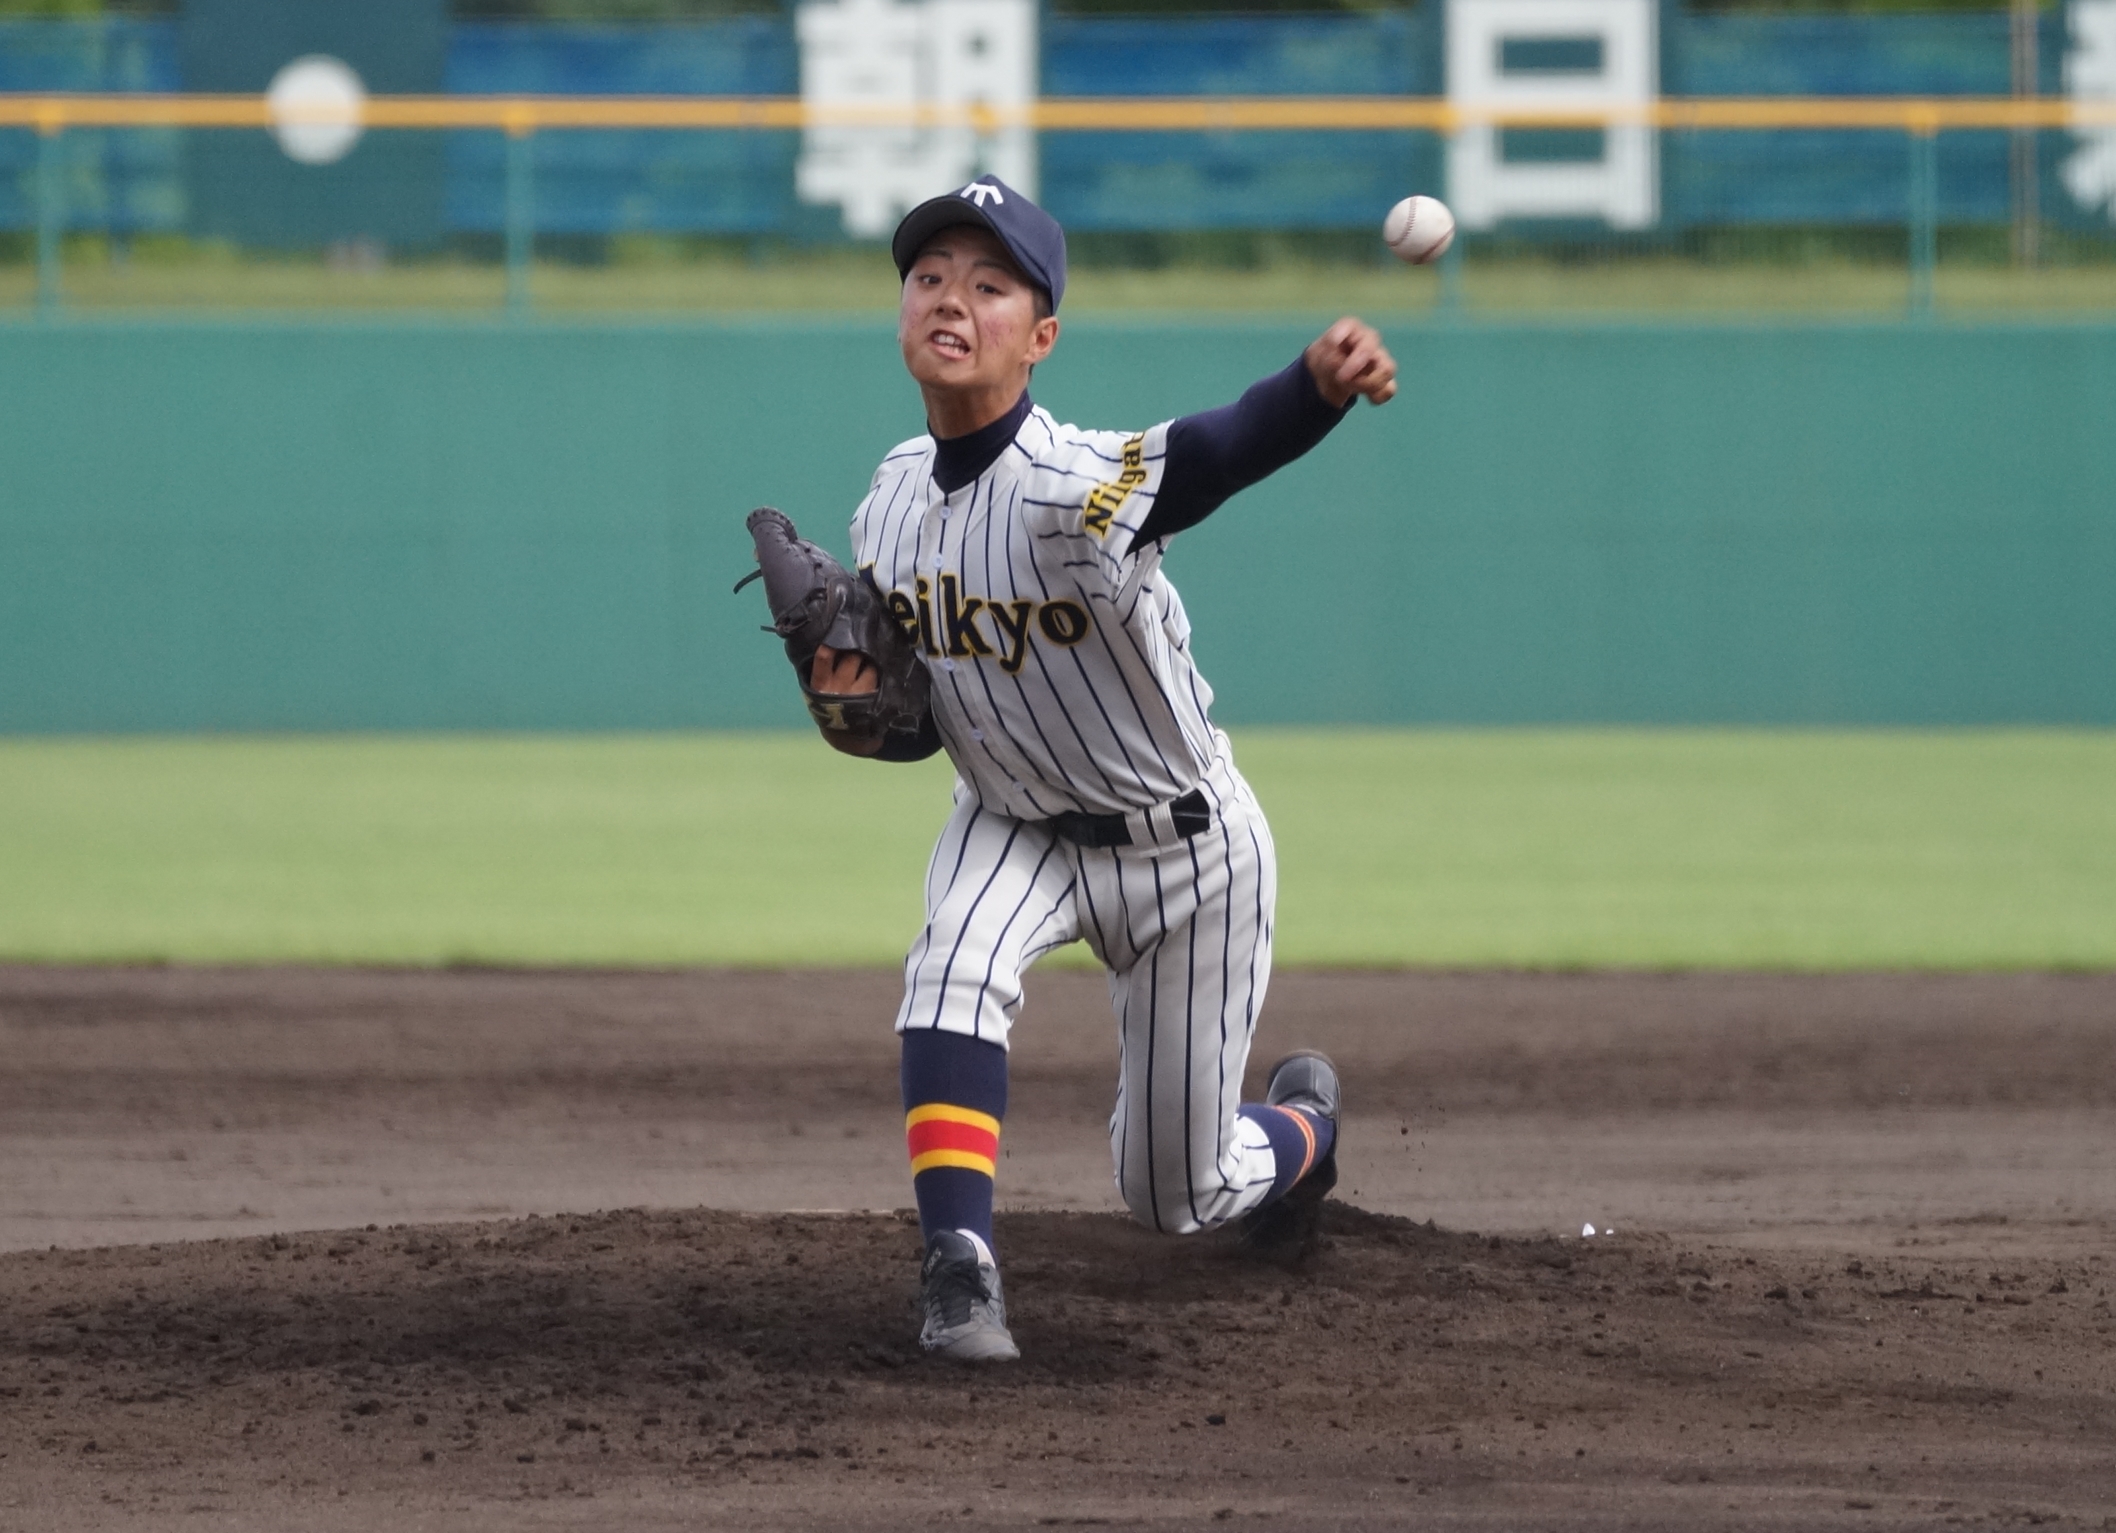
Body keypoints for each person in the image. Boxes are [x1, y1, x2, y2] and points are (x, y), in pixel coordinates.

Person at [816, 176, 1397, 1362]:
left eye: (989, 286)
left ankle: (1301, 1133)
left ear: (1039, 339)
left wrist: (1314, 392)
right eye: (930, 277)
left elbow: (1213, 452)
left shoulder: (1072, 487)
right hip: (1012, 820)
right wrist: (863, 706)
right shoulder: (884, 501)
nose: (950, 300)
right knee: (948, 971)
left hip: (1184, 849)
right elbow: (924, 709)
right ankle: (958, 1272)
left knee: (1174, 1194)